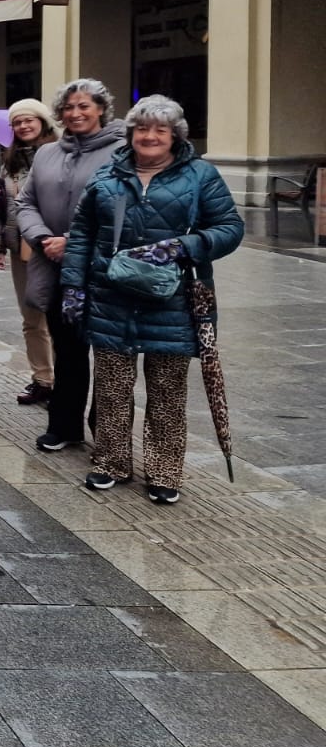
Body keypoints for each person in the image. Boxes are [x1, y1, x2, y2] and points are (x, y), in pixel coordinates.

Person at [61, 95, 243, 504]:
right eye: (142, 128)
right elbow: (82, 234)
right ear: (131, 133)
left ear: (175, 135)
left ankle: (163, 472)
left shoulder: (201, 175)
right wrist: (73, 287)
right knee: (111, 390)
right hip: (111, 298)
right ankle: (111, 462)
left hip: (173, 301)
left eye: (160, 130)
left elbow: (230, 227)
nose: (150, 136)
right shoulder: (108, 175)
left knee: (166, 392)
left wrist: (186, 246)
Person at [14, 79, 127, 451]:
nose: (75, 113)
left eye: (84, 106)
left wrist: (75, 244)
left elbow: (126, 213)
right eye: (68, 107)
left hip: (102, 270)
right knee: (68, 351)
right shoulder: (47, 153)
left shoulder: (122, 152)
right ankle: (65, 425)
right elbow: (25, 203)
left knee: (109, 357)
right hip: (54, 266)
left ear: (100, 110)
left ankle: (107, 433)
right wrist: (43, 238)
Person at [0, 99, 59, 406]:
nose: (24, 126)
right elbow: (0, 206)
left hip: (52, 248)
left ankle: (64, 379)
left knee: (56, 319)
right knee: (30, 318)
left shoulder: (59, 154)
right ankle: (42, 378)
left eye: (29, 120)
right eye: (17, 122)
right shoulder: (10, 160)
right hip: (21, 248)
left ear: (43, 122)